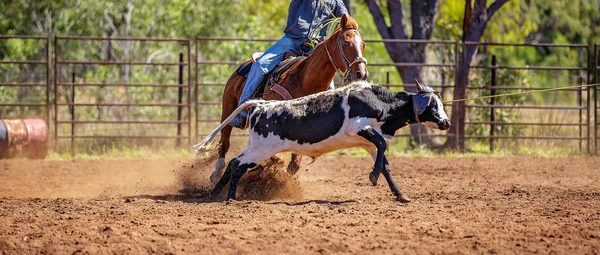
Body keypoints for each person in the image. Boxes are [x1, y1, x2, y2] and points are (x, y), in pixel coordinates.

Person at [229, 0, 349, 129]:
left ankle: (329, 123)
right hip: (292, 40)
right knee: (261, 65)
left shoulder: (335, 1)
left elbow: (345, 19)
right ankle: (242, 112)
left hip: (317, 47)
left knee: (329, 88)